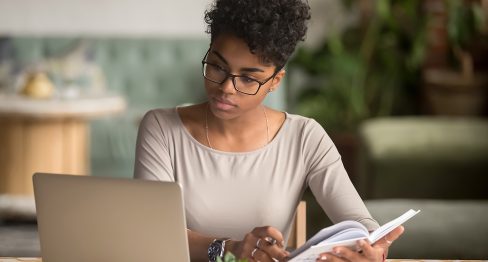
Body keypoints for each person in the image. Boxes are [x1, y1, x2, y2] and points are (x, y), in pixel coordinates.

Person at [133, 0, 404, 261]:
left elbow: (361, 225)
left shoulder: (304, 137)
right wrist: (228, 249)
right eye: (218, 66)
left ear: (275, 81)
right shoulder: (161, 129)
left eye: (249, 78)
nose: (226, 87)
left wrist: (372, 250)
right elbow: (150, 233)